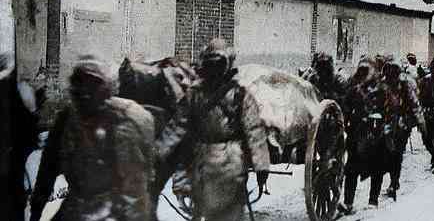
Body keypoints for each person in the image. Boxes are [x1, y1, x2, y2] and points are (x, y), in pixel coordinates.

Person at [30, 55, 155, 221]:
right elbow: (47, 170)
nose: (85, 94)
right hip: (79, 206)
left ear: (107, 91)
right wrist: (36, 211)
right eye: (78, 85)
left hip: (119, 208)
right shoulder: (66, 121)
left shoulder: (129, 122)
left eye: (93, 85)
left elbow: (138, 184)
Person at [185, 39, 270, 221]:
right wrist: (261, 167)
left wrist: (261, 165)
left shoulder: (234, 94)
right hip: (223, 163)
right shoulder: (198, 94)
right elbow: (254, 132)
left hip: (209, 163)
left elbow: (254, 130)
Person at [370, 56, 425, 203]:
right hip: (384, 126)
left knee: (396, 156)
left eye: (393, 74)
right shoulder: (381, 85)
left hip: (401, 126)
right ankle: (373, 198)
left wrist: (418, 124)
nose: (390, 77)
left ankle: (394, 183)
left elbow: (415, 106)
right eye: (388, 74)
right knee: (378, 160)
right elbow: (373, 103)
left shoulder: (406, 85)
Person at [340, 57, 379, 215]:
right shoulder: (352, 85)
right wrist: (346, 121)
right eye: (361, 70)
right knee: (351, 168)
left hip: (375, 132)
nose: (363, 74)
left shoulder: (380, 86)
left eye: (366, 71)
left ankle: (373, 200)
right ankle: (348, 203)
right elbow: (345, 105)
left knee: (376, 166)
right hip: (355, 132)